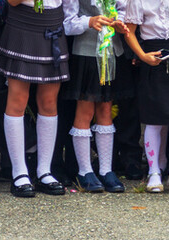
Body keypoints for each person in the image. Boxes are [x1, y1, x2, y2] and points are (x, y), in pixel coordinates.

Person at [0, 0, 77, 197]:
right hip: (23, 23)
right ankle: (19, 172)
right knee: (17, 101)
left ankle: (44, 171)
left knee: (49, 102)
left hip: (54, 24)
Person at [123, 0, 169, 194]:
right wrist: (143, 56)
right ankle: (154, 172)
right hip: (151, 55)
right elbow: (129, 31)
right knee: (152, 120)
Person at [61, 0, 129, 193]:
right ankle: (84, 171)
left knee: (106, 108)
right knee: (85, 109)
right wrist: (89, 21)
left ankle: (106, 170)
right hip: (86, 51)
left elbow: (123, 10)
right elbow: (68, 23)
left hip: (112, 51)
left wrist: (118, 22)